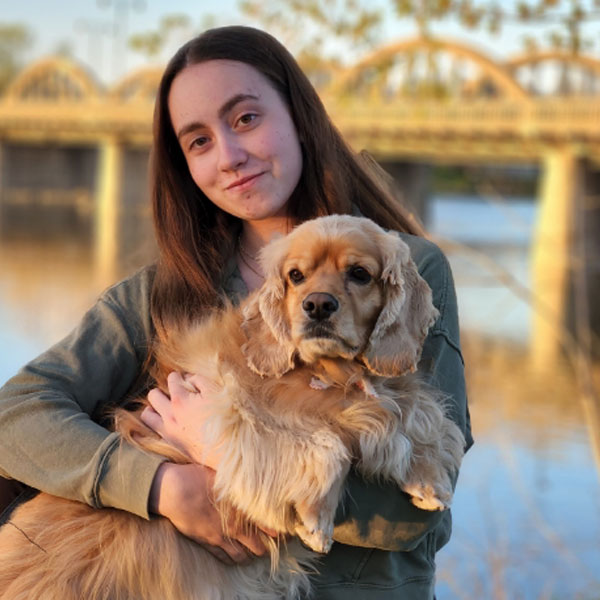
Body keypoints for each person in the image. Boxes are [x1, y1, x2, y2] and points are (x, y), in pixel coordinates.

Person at [0, 25, 473, 599]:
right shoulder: (160, 295)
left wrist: (225, 453)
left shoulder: (404, 267)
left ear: (300, 117)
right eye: (198, 141)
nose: (230, 156)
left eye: (246, 119)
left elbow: (415, 515)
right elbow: (16, 415)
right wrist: (162, 487)